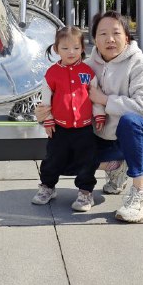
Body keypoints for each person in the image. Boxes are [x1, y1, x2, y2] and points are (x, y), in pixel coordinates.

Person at [39, 11, 143, 223]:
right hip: (106, 139)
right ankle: (117, 166)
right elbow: (64, 99)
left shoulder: (140, 64)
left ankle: (141, 194)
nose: (110, 39)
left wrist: (105, 100)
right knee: (63, 156)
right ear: (94, 39)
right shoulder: (86, 67)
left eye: (116, 33)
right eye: (103, 33)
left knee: (130, 122)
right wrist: (44, 113)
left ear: (127, 36)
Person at [33, 26, 106, 212]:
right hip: (59, 128)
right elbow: (46, 100)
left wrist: (99, 114)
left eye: (75, 47)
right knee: (52, 158)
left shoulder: (87, 72)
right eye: (65, 48)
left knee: (88, 159)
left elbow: (94, 95)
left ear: (82, 48)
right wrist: (48, 120)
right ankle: (47, 187)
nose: (71, 52)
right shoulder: (51, 73)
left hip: (84, 128)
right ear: (56, 49)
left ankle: (85, 192)